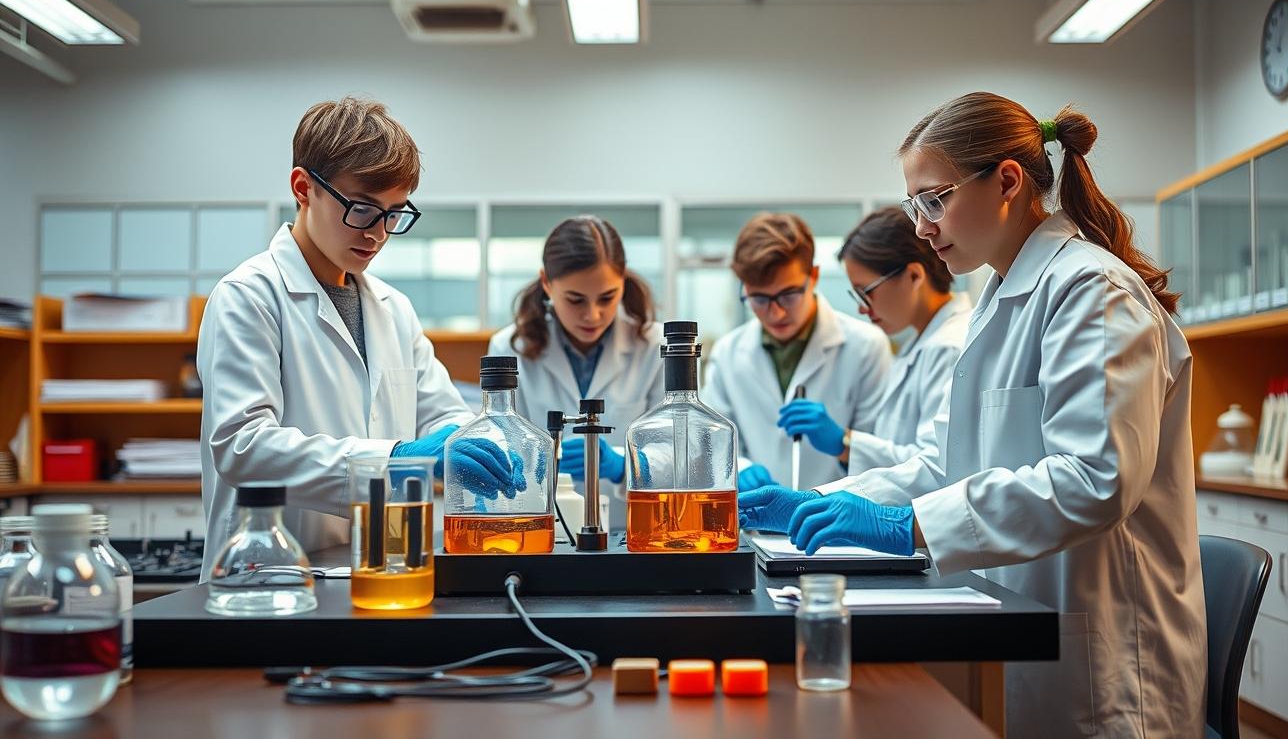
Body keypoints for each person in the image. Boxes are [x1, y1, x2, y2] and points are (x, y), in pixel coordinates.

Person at [741, 93, 1206, 736]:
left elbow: (1096, 480)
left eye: (934, 200)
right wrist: (815, 502)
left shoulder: (1091, 291)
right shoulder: (999, 295)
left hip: (1106, 663)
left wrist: (907, 526)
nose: (924, 226)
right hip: (1021, 624)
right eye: (916, 206)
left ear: (1008, 182)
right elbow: (945, 464)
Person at [199, 97, 515, 574]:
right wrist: (396, 457)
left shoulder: (394, 310)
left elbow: (442, 414)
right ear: (303, 188)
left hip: (380, 567)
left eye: (394, 213)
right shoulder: (249, 295)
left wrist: (471, 438)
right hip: (272, 574)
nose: (378, 234)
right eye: (363, 209)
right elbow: (242, 447)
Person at [487, 216, 662, 526]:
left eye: (607, 297)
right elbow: (504, 447)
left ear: (623, 281)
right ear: (546, 284)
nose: (592, 315)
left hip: (634, 531)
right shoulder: (509, 348)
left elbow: (679, 455)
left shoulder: (653, 348)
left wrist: (623, 465)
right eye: (575, 299)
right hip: (547, 530)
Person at [701, 212, 891, 491]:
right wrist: (739, 470)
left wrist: (843, 441)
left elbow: (883, 460)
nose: (776, 312)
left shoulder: (865, 346)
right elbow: (711, 445)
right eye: (759, 299)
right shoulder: (728, 353)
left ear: (813, 277)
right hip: (754, 521)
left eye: (788, 295)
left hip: (836, 524)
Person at [777, 206, 970, 474]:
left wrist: (845, 442)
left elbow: (935, 466)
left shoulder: (948, 347)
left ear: (914, 276)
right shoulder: (921, 344)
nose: (862, 309)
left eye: (865, 293)